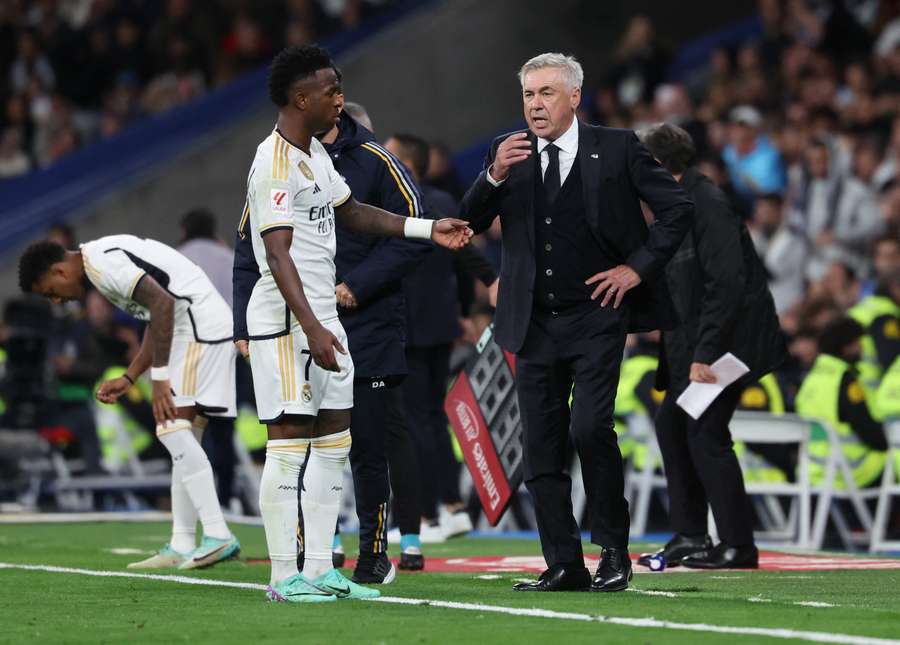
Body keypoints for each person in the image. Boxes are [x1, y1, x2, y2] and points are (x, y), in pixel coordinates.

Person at [236, 45, 470, 603]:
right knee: (289, 444)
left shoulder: (316, 153)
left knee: (335, 443)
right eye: (331, 91)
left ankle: (320, 569)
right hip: (287, 322)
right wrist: (312, 327)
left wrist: (425, 229)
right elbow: (277, 254)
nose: (340, 100)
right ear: (301, 98)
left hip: (325, 318)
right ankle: (282, 576)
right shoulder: (271, 161)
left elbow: (355, 212)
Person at [460, 53, 694, 592]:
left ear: (573, 98)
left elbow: (677, 208)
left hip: (597, 316)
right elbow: (468, 222)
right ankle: (563, 562)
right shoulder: (508, 153)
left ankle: (613, 552)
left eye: (545, 93)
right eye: (528, 95)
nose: (535, 105)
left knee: (590, 428)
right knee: (541, 445)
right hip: (532, 320)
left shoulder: (617, 147)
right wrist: (493, 173)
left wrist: (636, 270)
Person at [18, 235, 241, 570]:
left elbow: (164, 305)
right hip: (194, 327)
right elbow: (157, 314)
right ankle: (182, 542)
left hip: (197, 328)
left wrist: (160, 379)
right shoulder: (97, 265)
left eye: (50, 291)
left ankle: (218, 533)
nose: (56, 301)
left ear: (59, 271)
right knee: (182, 434)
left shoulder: (103, 264)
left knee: (171, 427)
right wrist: (131, 376)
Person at [636, 123, 786, 570]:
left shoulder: (708, 203)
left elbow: (727, 284)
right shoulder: (678, 203)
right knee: (672, 424)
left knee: (704, 434)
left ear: (660, 165)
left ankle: (738, 545)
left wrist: (705, 354)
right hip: (704, 341)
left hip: (731, 343)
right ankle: (691, 536)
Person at [317, 101, 431, 580]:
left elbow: (415, 230)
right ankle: (321, 549)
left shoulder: (378, 162)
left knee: (371, 442)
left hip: (371, 324)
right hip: (312, 322)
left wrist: (358, 286)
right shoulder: (286, 160)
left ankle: (377, 550)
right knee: (312, 445)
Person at [384, 132, 498, 543]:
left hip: (410, 324)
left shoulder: (398, 201)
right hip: (441, 323)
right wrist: (466, 312)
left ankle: (426, 515)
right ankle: (452, 506)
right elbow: (463, 260)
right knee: (434, 417)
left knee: (415, 421)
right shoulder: (447, 202)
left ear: (407, 164)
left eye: (390, 154)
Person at [178, 208, 239, 506]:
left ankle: (192, 497)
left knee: (187, 428)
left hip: (190, 351)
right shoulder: (227, 258)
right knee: (223, 428)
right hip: (227, 350)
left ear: (184, 229)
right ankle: (225, 496)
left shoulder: (178, 256)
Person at [796, 317, 887, 489]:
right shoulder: (845, 380)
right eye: (857, 343)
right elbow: (868, 430)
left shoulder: (811, 378)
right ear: (845, 347)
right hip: (850, 472)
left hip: (815, 472)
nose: (861, 348)